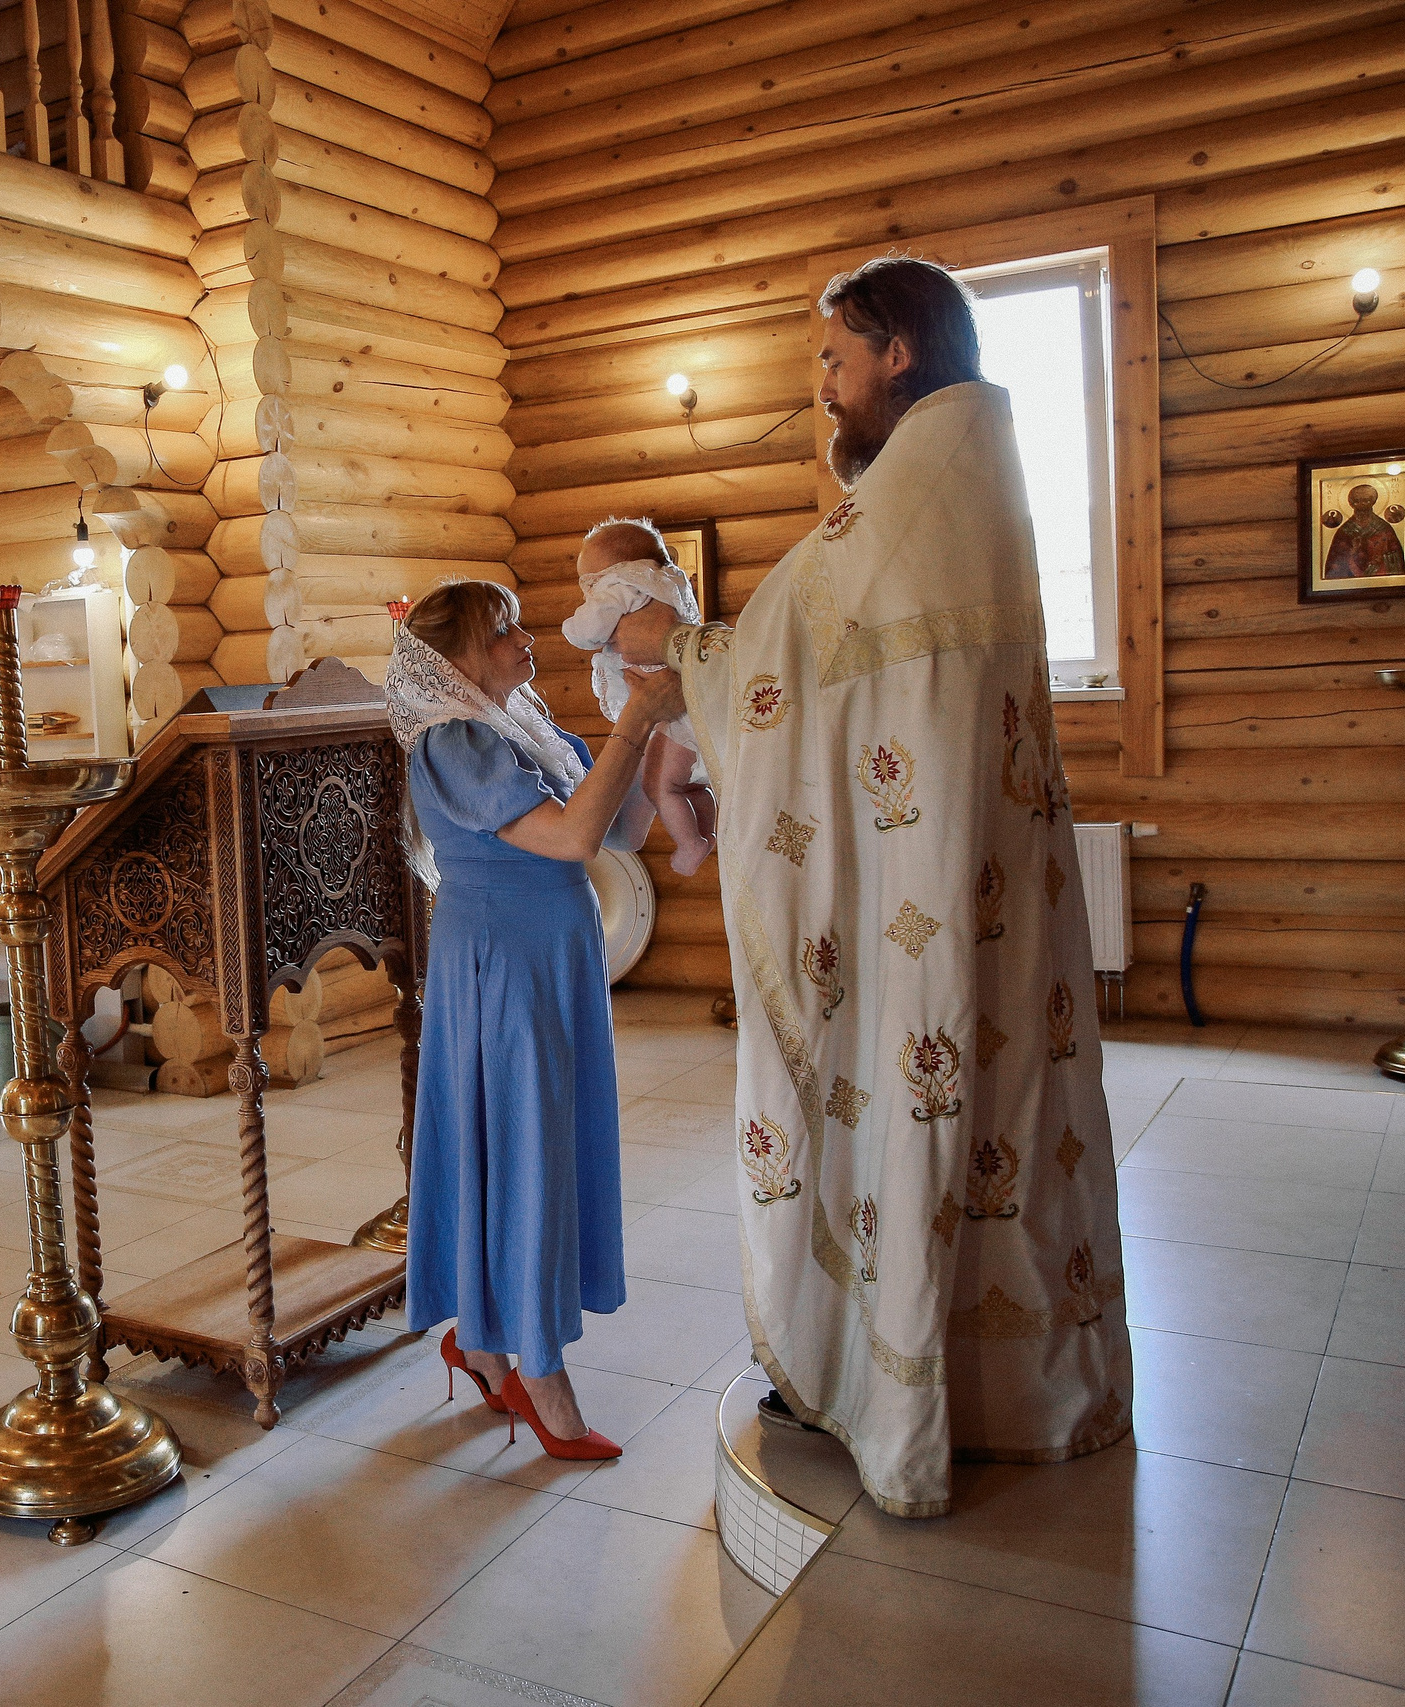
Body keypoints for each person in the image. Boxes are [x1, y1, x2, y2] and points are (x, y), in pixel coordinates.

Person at [615, 254, 1131, 1518]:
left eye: (834, 365)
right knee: (990, 1102)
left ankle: (888, 1388)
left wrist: (670, 650)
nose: (827, 396)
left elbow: (787, 645)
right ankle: (1005, 1386)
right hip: (961, 878)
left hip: (920, 905)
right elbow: (833, 659)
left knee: (909, 1087)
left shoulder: (917, 483)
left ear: (897, 350)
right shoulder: (965, 469)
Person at [388, 579, 682, 1460]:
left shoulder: (520, 724)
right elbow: (569, 841)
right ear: (458, 660)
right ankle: (538, 1372)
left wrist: (654, 724)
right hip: (504, 968)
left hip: (548, 957)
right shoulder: (453, 740)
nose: (526, 642)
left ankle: (481, 1343)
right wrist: (636, 719)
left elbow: (619, 826)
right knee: (524, 1148)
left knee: (539, 1140)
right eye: (503, 631)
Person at [562, 519, 718, 875]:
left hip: (670, 714)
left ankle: (691, 842)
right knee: (691, 783)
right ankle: (706, 833)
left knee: (660, 785)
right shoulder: (669, 582)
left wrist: (570, 627)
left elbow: (589, 631)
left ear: (612, 570)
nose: (587, 589)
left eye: (587, 580)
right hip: (690, 705)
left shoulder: (621, 585)